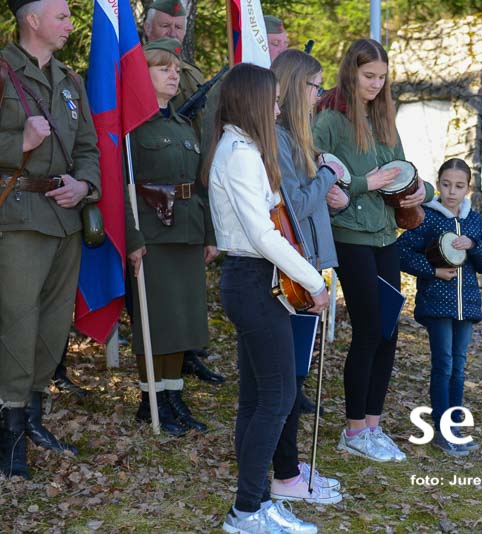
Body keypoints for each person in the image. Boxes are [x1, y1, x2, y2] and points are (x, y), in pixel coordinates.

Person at [205, 62, 329, 534]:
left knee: (258, 397)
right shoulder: (238, 153)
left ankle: (256, 501)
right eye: (273, 101)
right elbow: (261, 234)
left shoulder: (244, 149)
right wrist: (312, 281)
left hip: (255, 279)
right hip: (253, 279)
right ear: (253, 102)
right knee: (277, 397)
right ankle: (245, 512)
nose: (278, 109)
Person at [313, 38, 434, 462]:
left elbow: (402, 172)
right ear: (351, 71)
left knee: (388, 330)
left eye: (382, 77)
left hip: (385, 235)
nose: (376, 84)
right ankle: (353, 431)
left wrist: (422, 189)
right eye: (368, 76)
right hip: (349, 236)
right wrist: (367, 183)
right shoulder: (330, 118)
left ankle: (372, 426)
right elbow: (311, 169)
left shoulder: (384, 118)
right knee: (368, 329)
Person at [0, 0, 100, 479]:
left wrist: (85, 185)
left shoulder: (69, 80)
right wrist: (18, 142)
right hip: (17, 216)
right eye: (61, 16)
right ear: (32, 20)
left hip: (64, 218)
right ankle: (9, 428)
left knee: (54, 324)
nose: (69, 24)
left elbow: (88, 147)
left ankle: (33, 416)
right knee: (17, 323)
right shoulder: (4, 71)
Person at [125, 38, 217, 437]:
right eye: (163, 69)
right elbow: (122, 187)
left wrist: (209, 234)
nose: (173, 75)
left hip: (187, 231)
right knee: (156, 321)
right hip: (152, 234)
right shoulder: (131, 127)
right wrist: (132, 238)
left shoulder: (183, 125)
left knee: (183, 319)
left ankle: (173, 394)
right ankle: (151, 400)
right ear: (141, 75)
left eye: (176, 69)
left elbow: (199, 185)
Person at [267, 48, 346, 507]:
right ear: (297, 87)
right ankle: (285, 472)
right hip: (294, 270)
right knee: (289, 377)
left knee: (297, 373)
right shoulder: (278, 139)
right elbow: (295, 205)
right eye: (315, 86)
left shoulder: (298, 138)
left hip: (309, 264)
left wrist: (329, 183)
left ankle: (291, 465)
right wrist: (328, 176)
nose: (320, 95)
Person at [397, 158, 482, 456]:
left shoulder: (474, 221)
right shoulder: (426, 217)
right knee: (443, 364)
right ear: (438, 183)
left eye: (459, 186)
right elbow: (401, 252)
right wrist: (433, 271)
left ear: (468, 188)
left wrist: (474, 245)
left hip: (467, 306)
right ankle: (442, 430)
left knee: (459, 365)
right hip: (436, 304)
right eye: (446, 184)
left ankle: (455, 425)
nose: (452, 192)